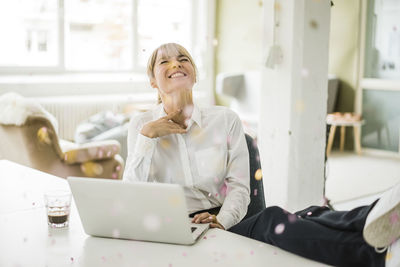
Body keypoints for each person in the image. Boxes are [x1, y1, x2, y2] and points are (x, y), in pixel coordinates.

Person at [123, 43, 400, 267]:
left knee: (299, 216)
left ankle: (375, 216)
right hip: (178, 231)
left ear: (194, 74)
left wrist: (222, 221)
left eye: (183, 58)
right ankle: (373, 252)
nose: (176, 63)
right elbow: (130, 196)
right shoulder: (141, 127)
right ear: (152, 81)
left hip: (224, 222)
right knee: (275, 220)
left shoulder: (225, 120)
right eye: (164, 61)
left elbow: (240, 189)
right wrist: (148, 138)